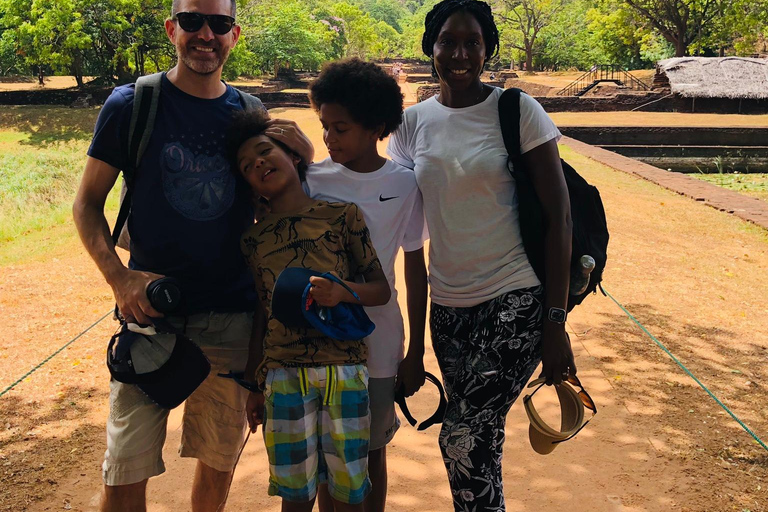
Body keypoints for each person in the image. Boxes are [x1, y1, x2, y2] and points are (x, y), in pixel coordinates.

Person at [71, 0, 313, 510]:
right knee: (124, 470)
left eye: (219, 24)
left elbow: (278, 212)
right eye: (192, 21)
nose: (206, 35)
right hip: (150, 317)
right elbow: (88, 204)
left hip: (232, 317)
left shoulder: (250, 116)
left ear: (235, 35)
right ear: (171, 29)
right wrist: (119, 278)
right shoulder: (133, 103)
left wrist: (305, 159)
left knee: (216, 467)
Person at [386, 1, 575, 510]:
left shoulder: (516, 111)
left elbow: (559, 217)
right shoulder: (411, 124)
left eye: (473, 41)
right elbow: (403, 232)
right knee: (480, 437)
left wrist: (554, 322)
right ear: (431, 48)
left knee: (461, 435)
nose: (460, 53)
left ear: (488, 48)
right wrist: (413, 345)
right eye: (449, 41)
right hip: (450, 312)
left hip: (514, 300)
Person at [231, 109, 391, 512]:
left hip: (344, 369)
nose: (258, 164)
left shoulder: (341, 217)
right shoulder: (253, 240)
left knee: (350, 491)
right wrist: (254, 384)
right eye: (247, 166)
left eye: (265, 153)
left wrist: (342, 292)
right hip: (282, 375)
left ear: (296, 157)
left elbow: (380, 290)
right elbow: (262, 314)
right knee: (295, 495)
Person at [305, 58, 429, 512]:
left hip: (379, 340)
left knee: (372, 450)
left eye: (341, 128)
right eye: (324, 126)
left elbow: (415, 266)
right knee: (326, 451)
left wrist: (415, 348)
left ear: (377, 126)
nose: (329, 139)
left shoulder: (406, 184)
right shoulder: (311, 181)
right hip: (319, 338)